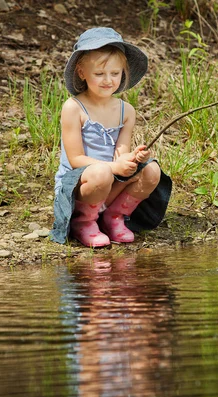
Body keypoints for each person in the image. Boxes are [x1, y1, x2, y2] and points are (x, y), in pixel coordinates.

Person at [50, 27, 172, 247]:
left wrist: (133, 158)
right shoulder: (74, 108)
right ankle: (84, 221)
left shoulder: (126, 111)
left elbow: (120, 153)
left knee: (151, 169)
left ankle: (113, 217)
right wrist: (112, 167)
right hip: (81, 186)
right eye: (99, 74)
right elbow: (76, 159)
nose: (108, 80)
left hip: (110, 181)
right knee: (102, 172)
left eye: (115, 74)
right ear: (81, 72)